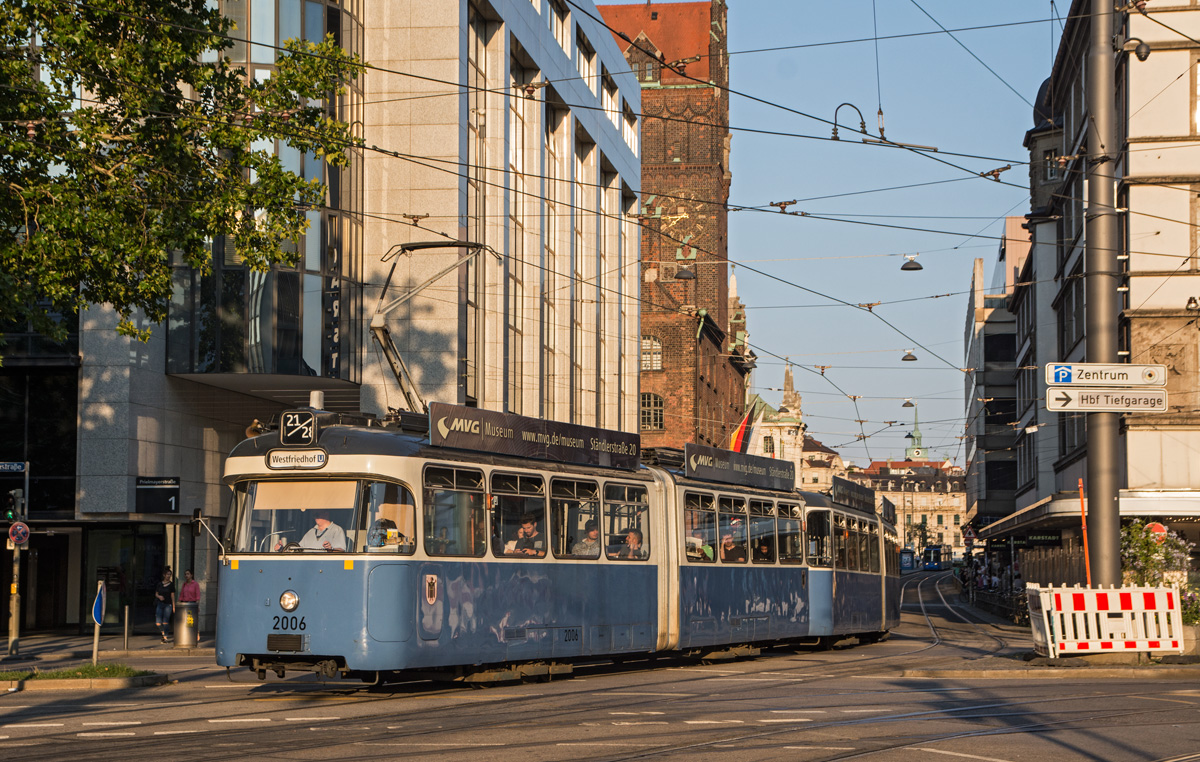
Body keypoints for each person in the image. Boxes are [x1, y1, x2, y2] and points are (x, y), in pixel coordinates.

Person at [277, 510, 346, 551]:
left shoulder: (337, 530)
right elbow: (298, 549)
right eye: (313, 515)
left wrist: (331, 549)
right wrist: (282, 549)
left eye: (317, 514)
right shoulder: (310, 532)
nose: (315, 517)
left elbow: (341, 551)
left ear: (326, 513)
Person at [154, 569, 175, 644]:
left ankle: (165, 637)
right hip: (160, 604)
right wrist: (159, 597)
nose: (168, 576)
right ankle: (163, 633)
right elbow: (156, 593)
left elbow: (172, 596)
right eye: (167, 574)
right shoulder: (159, 584)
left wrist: (173, 606)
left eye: (170, 574)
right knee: (158, 622)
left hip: (168, 604)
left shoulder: (171, 585)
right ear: (164, 575)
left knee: (165, 622)